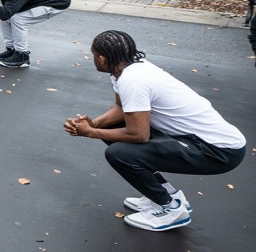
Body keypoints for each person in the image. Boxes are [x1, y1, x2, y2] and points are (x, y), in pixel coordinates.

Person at [63, 30, 246, 232]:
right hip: (194, 140)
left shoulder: (133, 80)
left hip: (218, 151)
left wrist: (90, 132)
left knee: (119, 154)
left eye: (93, 55)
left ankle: (170, 210)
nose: (93, 59)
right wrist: (94, 124)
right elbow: (122, 109)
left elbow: (138, 135)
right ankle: (168, 196)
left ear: (102, 59)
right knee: (112, 129)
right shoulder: (124, 70)